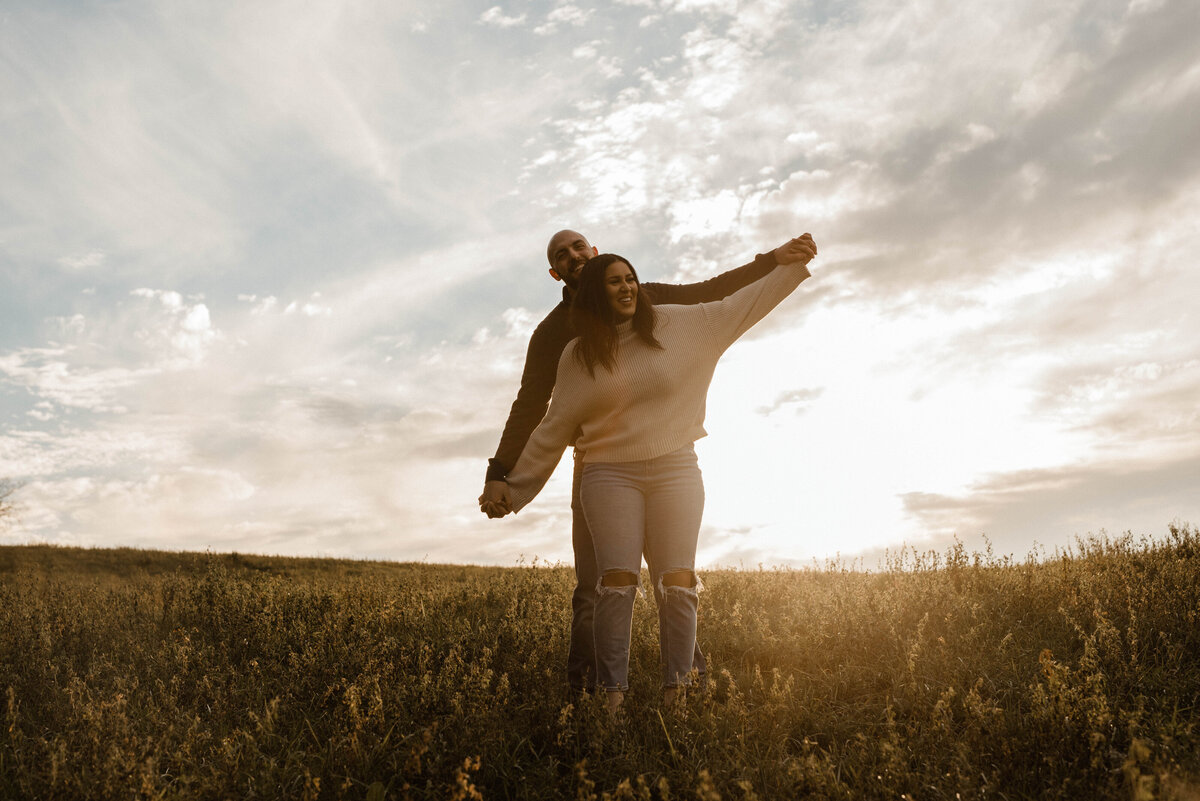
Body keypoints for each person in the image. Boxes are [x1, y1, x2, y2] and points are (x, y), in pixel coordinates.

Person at [496, 233, 817, 712]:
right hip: (601, 466)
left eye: (580, 246)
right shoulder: (558, 340)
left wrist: (776, 262)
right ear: (555, 273)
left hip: (672, 458)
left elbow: (718, 297)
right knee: (605, 584)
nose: (575, 256)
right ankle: (594, 695)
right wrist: (502, 477)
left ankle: (685, 686)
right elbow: (541, 415)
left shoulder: (659, 307)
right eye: (562, 254)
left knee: (677, 578)